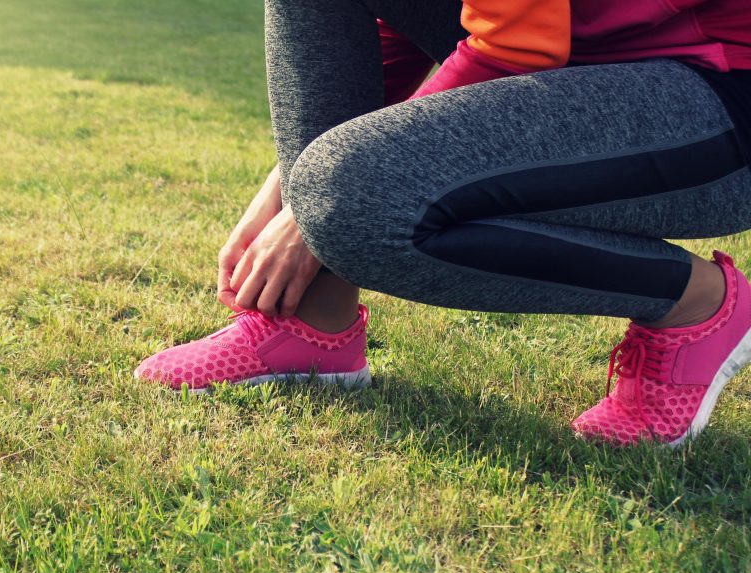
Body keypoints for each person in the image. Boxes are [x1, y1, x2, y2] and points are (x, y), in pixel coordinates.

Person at [135, 0, 751, 448]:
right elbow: (390, 32)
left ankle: (696, 300)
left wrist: (310, 210)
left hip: (715, 87)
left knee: (355, 198)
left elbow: (516, 46)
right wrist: (291, 183)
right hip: (588, 51)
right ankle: (312, 321)